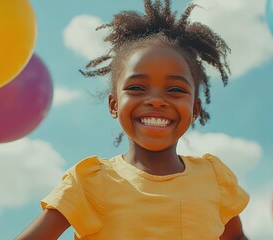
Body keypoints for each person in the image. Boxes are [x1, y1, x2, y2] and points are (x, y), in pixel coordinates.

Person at [16, 0, 249, 239]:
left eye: (176, 90)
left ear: (195, 109)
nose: (156, 101)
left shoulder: (214, 178)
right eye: (137, 87)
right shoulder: (91, 183)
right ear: (114, 104)